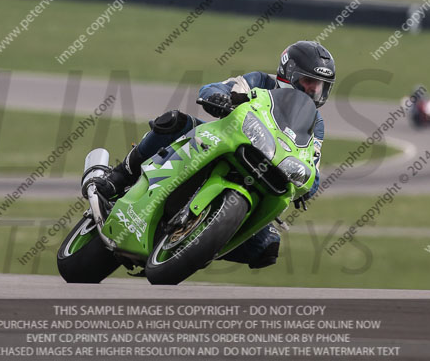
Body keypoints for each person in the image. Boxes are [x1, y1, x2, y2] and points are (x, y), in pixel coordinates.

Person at [95, 40, 335, 269]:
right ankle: (119, 176)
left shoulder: (316, 123)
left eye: (320, 86)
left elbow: (312, 160)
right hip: (228, 142)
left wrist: (308, 182)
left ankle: (200, 245)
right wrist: (219, 97)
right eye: (308, 81)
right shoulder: (260, 81)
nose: (314, 90)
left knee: (268, 247)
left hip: (264, 172)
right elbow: (214, 87)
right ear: (288, 73)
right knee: (175, 122)